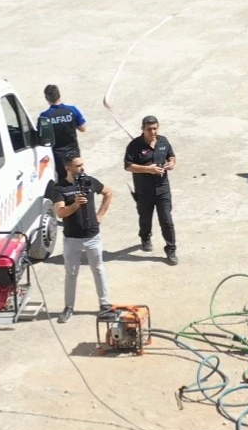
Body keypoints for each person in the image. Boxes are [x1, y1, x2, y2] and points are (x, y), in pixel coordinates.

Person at [44, 154, 112, 323]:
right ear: (68, 168)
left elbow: (108, 192)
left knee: (98, 269)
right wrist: (75, 204)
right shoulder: (60, 188)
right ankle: (69, 307)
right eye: (78, 166)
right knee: (71, 273)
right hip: (72, 238)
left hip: (92, 236)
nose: (82, 168)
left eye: (82, 164)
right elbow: (60, 213)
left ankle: (104, 304)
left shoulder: (89, 181)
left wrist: (100, 215)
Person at [122, 115, 177, 264]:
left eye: (155, 129)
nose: (153, 132)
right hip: (144, 191)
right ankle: (145, 237)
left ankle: (171, 249)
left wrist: (171, 163)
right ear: (143, 129)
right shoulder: (134, 146)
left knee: (166, 220)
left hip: (163, 189)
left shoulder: (163, 141)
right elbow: (128, 166)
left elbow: (171, 156)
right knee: (145, 218)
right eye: (149, 129)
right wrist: (148, 169)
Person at [36, 85, 87, 165]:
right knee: (77, 172)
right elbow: (83, 128)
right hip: (74, 153)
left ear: (46, 98)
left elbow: (41, 138)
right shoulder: (72, 110)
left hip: (57, 156)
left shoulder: (45, 116)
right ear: (59, 95)